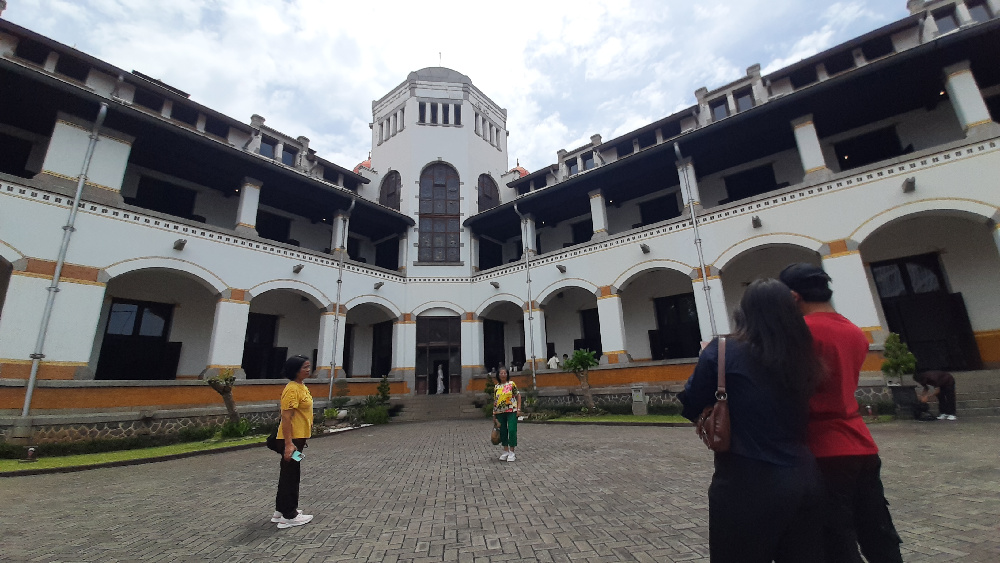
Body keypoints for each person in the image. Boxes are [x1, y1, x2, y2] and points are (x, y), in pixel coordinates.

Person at [680, 278, 825, 562]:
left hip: (746, 482)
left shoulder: (723, 351)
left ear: (742, 313)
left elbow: (690, 404)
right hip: (807, 478)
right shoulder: (805, 354)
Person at [780, 262, 903, 563]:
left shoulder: (801, 334)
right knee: (878, 529)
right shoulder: (854, 331)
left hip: (822, 446)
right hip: (861, 441)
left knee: (836, 537)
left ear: (794, 297)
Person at [270, 355, 315, 529]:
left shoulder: (301, 386)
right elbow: (286, 417)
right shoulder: (292, 389)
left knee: (288, 473)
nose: (308, 370)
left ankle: (281, 510)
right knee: (291, 474)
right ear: (295, 370)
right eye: (305, 367)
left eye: (308, 366)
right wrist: (289, 444)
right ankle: (289, 515)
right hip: (291, 439)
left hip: (298, 438)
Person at [493, 365, 522, 462]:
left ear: (507, 374)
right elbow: (495, 400)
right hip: (500, 411)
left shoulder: (511, 384)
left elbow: (518, 395)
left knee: (512, 430)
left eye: (505, 373)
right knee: (503, 431)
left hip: (511, 410)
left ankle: (512, 451)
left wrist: (518, 408)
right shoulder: (496, 386)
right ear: (498, 375)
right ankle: (505, 450)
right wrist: (494, 414)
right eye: (501, 373)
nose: (503, 375)